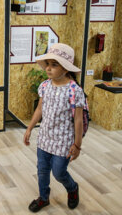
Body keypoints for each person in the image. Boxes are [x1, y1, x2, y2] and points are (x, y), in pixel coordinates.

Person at [23, 43, 85, 212]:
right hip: (44, 138)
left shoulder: (74, 90)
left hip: (63, 141)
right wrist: (29, 128)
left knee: (58, 172)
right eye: (48, 64)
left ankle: (72, 188)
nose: (48, 69)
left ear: (65, 68)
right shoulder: (45, 86)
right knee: (42, 171)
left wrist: (77, 145)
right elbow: (39, 109)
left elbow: (78, 120)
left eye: (54, 65)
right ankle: (43, 198)